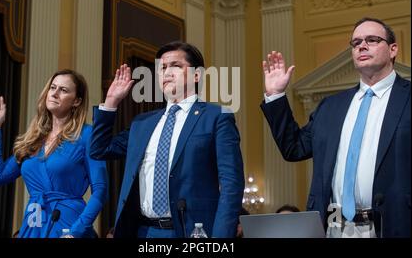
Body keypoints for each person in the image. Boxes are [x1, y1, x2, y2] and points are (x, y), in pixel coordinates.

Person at [260, 17, 410, 238]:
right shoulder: (331, 106)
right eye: (356, 42)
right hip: (333, 228)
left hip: (393, 226)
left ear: (393, 49)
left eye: (372, 40)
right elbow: (294, 148)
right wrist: (276, 95)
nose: (362, 46)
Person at [90, 41, 244, 238]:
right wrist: (111, 102)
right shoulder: (143, 122)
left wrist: (221, 238)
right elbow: (99, 150)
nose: (167, 73)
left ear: (197, 75)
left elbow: (232, 182)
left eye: (176, 66)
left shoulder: (216, 116)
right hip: (143, 232)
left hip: (193, 232)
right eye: (162, 68)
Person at [0, 69, 108, 238]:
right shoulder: (33, 140)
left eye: (63, 90)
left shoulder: (87, 135)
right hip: (33, 224)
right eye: (53, 87)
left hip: (69, 225)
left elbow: (101, 190)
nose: (55, 93)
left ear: (77, 101)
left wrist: (76, 232)